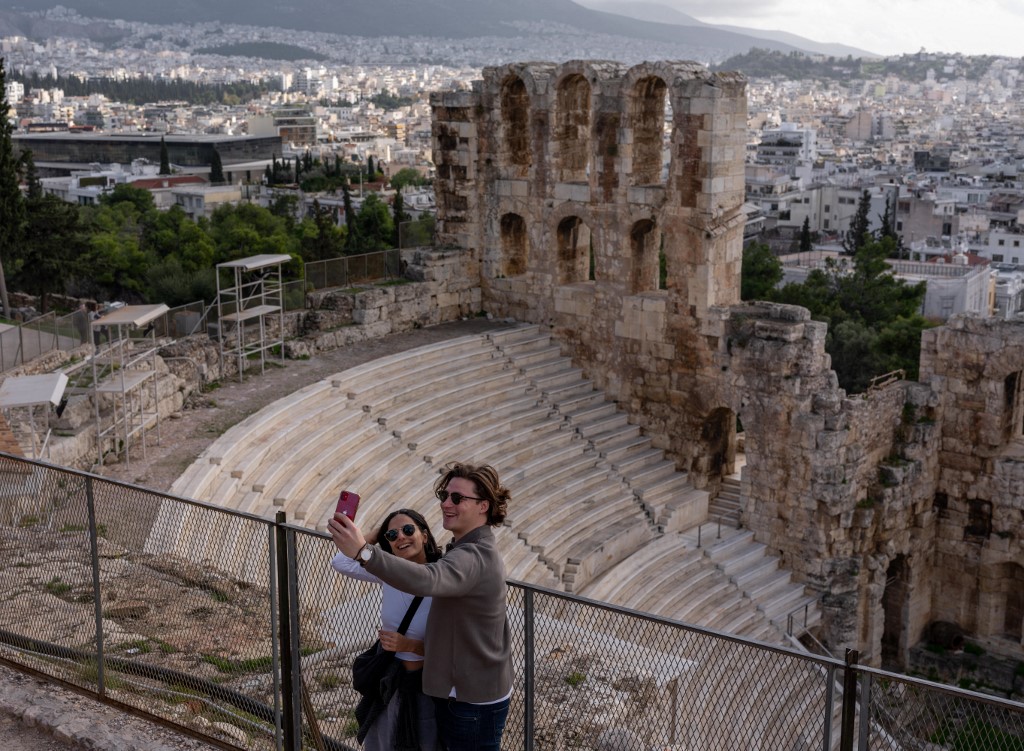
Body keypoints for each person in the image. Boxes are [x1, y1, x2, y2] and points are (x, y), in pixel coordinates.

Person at [330, 462, 512, 751]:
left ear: (483, 506)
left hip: (471, 702)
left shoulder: (474, 556)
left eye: (457, 498)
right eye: (444, 495)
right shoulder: (464, 549)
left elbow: (428, 579)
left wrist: (364, 551)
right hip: (459, 693)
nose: (446, 504)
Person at [331, 508, 442, 751]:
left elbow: (453, 646)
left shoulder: (444, 577)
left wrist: (409, 645)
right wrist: (375, 534)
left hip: (427, 687)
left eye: (408, 530)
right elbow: (339, 562)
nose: (400, 537)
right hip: (391, 680)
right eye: (392, 535)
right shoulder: (387, 571)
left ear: (425, 535)